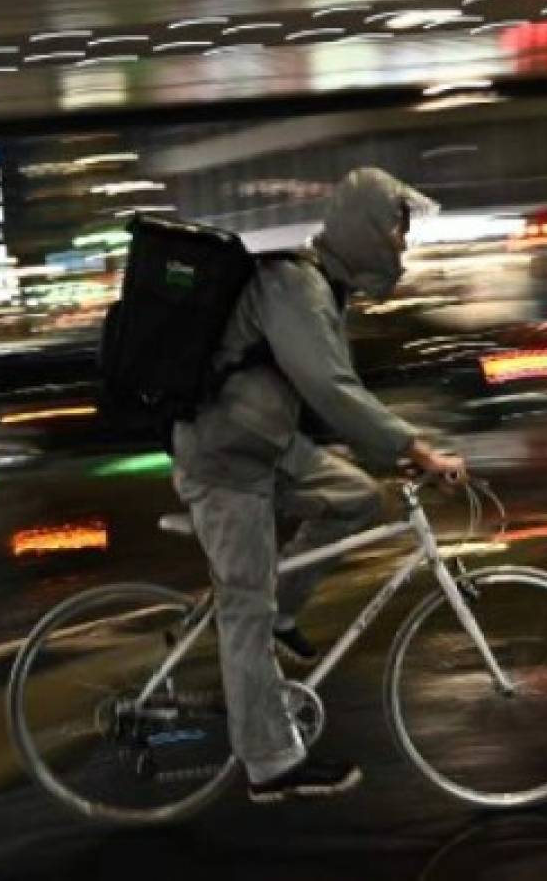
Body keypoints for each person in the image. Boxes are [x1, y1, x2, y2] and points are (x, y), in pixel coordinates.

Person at [172, 167, 466, 804]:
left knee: (356, 497)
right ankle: (270, 763)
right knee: (243, 607)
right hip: (226, 460)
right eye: (396, 229)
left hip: (267, 445)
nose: (402, 246)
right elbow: (332, 390)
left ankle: (280, 612)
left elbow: (334, 396)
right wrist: (413, 448)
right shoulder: (294, 286)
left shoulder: (324, 291)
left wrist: (392, 457)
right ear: (363, 230)